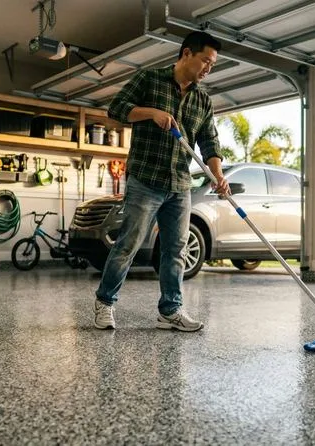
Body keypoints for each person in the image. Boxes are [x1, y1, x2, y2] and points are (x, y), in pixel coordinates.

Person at [93, 31, 230, 332]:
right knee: (128, 243)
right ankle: (105, 302)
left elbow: (210, 143)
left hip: (180, 184)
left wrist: (218, 176)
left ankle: (170, 311)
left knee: (175, 250)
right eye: (206, 61)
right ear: (186, 54)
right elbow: (116, 109)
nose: (209, 68)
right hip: (146, 179)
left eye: (212, 64)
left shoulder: (203, 100)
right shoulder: (149, 80)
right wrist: (151, 113)